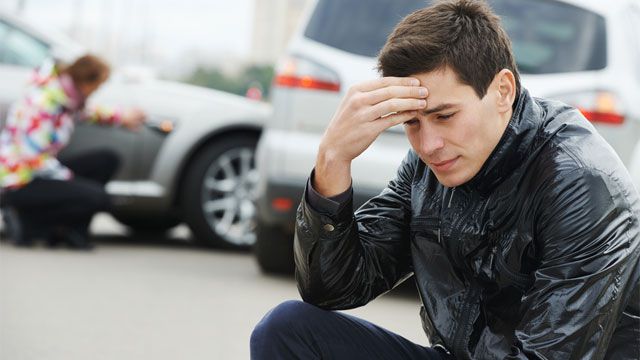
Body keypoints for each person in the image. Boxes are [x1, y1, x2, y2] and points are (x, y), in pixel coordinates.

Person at [250, 1, 640, 359]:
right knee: (287, 330)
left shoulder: (581, 182)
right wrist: (332, 161)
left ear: (502, 90)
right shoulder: (427, 167)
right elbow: (335, 287)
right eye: (412, 123)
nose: (429, 144)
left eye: (445, 116)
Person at [0, 54, 145, 249]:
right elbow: (32, 158)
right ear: (85, 81)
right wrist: (71, 180)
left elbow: (91, 112)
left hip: (38, 172)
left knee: (106, 160)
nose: (97, 90)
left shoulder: (66, 97)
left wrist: (122, 117)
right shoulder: (42, 104)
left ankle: (69, 231)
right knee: (96, 197)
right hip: (19, 181)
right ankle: (27, 221)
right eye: (98, 85)